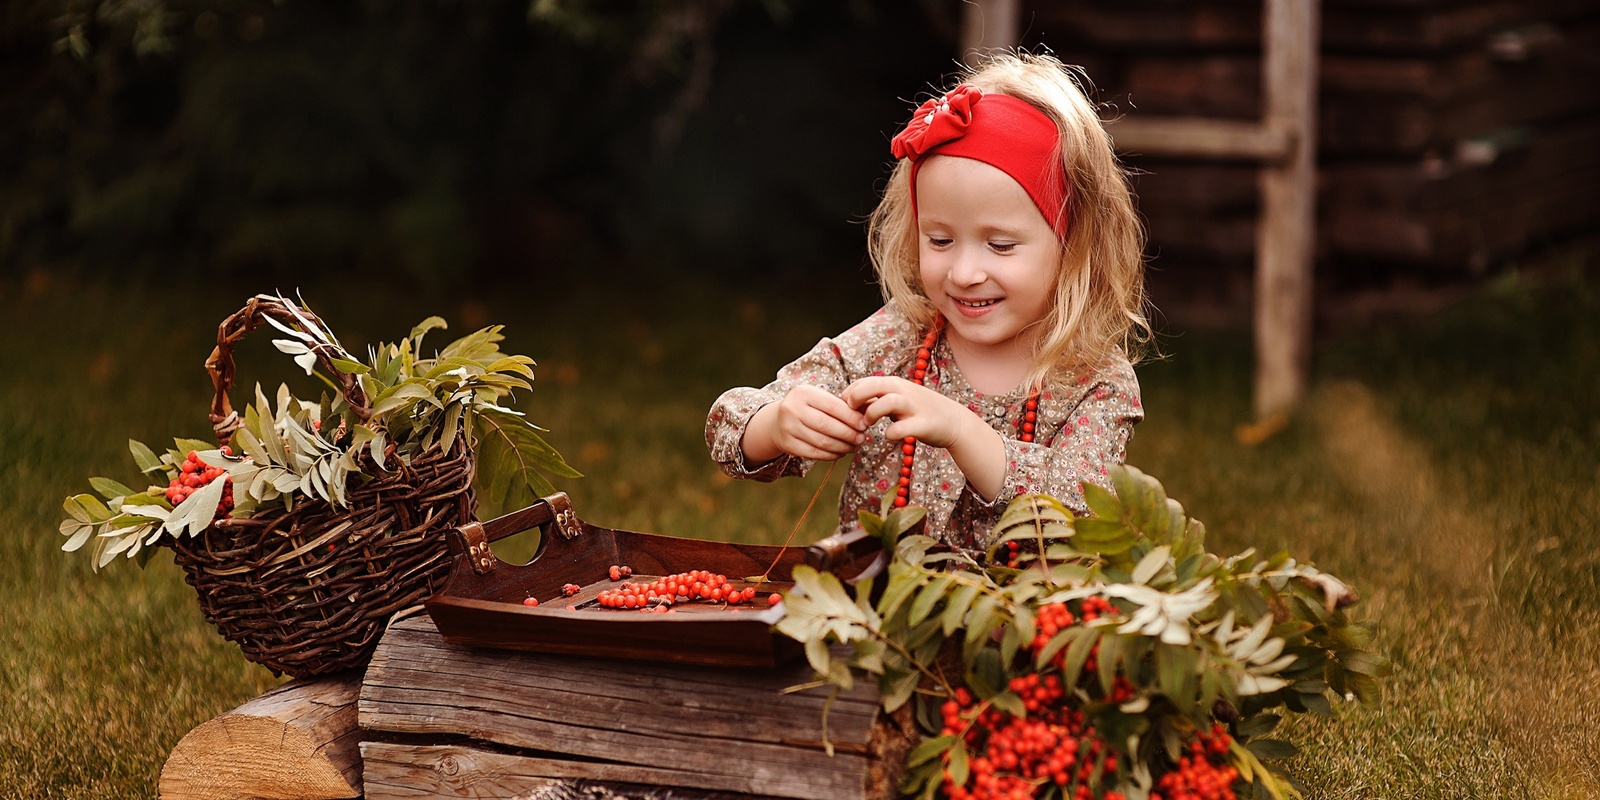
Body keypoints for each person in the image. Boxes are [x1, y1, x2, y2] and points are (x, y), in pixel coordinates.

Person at [705, 53, 1151, 552]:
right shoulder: (898, 338)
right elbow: (730, 422)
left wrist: (963, 431)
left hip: (1018, 622)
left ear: (1073, 243)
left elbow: (1087, 508)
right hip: (875, 616)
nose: (963, 273)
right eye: (939, 240)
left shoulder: (1094, 379)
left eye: (1000, 245)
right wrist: (776, 424)